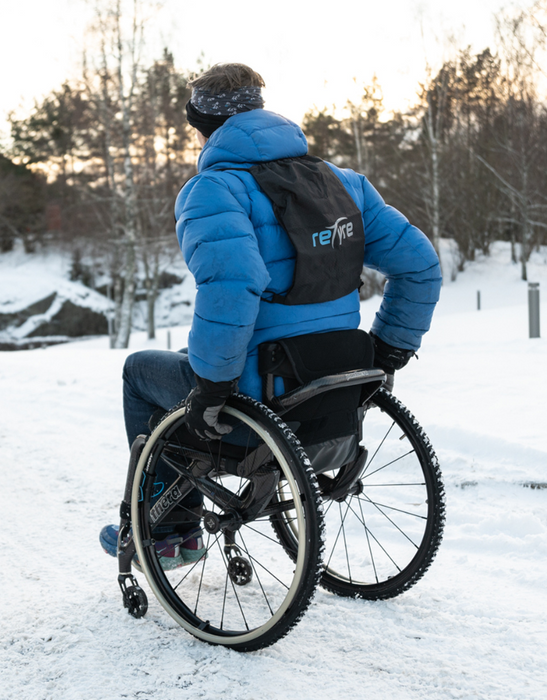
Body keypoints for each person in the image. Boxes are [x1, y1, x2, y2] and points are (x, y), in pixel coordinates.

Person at [100, 63, 442, 569]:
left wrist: (213, 388)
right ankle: (178, 516)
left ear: (201, 124)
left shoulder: (215, 191)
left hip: (263, 396)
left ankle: (172, 532)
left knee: (141, 373)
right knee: (184, 359)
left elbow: (234, 288)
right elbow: (421, 265)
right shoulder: (343, 184)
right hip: (338, 384)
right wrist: (389, 349)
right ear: (260, 109)